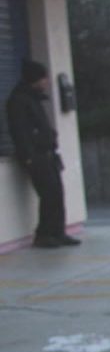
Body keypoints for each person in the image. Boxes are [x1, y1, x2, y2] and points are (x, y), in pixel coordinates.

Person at [6, 59, 77, 248]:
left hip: (47, 153)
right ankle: (44, 234)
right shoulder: (19, 101)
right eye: (43, 77)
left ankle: (57, 232)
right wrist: (29, 157)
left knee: (57, 193)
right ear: (34, 79)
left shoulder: (34, 98)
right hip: (36, 156)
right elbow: (20, 131)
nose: (46, 81)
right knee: (48, 194)